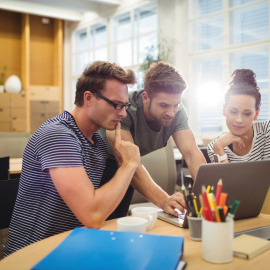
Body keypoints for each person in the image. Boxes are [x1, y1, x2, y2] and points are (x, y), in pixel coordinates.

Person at [4, 61, 140, 256]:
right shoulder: (58, 135)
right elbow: (92, 215)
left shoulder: (98, 144)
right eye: (116, 104)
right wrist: (129, 164)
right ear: (89, 98)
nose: (123, 113)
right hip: (34, 255)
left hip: (71, 249)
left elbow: (98, 207)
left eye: (125, 105)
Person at [98, 61, 206, 219]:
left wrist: (210, 195)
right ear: (146, 97)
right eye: (164, 105)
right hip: (101, 166)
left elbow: (191, 153)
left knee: (120, 222)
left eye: (175, 105)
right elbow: (127, 161)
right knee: (104, 225)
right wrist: (164, 201)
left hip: (128, 169)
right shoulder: (123, 108)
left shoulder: (176, 110)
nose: (171, 112)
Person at [207, 69, 270, 163]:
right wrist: (218, 147)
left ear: (256, 114)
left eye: (247, 113)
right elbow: (224, 178)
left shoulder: (267, 131)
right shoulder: (214, 146)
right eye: (233, 111)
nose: (239, 120)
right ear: (224, 110)